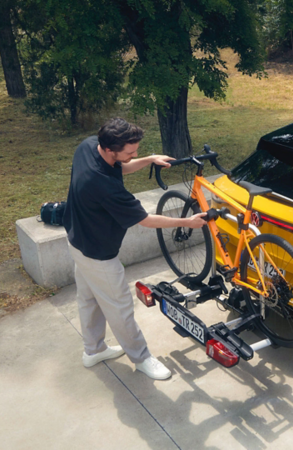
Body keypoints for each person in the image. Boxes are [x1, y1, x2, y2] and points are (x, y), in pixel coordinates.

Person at [63, 118, 206, 380]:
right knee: (120, 309)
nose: (134, 156)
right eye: (130, 152)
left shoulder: (88, 146)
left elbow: (122, 167)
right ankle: (141, 358)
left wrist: (150, 159)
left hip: (76, 239)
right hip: (98, 255)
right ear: (109, 149)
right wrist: (188, 222)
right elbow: (146, 220)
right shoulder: (102, 185)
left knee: (88, 299)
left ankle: (93, 350)